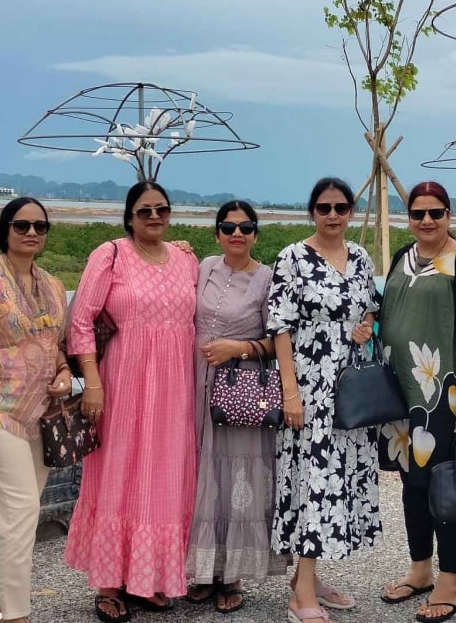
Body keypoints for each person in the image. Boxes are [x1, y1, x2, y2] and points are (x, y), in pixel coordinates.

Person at [66, 181, 200, 622]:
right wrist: (92, 382)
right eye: (145, 211)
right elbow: (81, 321)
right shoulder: (110, 255)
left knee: (164, 477)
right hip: (122, 384)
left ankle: (146, 579)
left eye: (162, 209)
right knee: (119, 472)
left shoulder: (186, 259)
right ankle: (109, 583)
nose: (155, 217)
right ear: (129, 217)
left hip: (176, 388)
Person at [0, 196, 75, 623]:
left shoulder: (54, 286)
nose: (31, 233)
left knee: (15, 520)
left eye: (39, 226)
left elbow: (55, 346)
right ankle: (18, 616)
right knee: (22, 514)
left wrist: (63, 372)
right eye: (21, 225)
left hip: (42, 416)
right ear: (5, 230)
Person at [377, 181, 456, 622]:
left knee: (445, 484)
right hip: (403, 395)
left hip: (443, 395)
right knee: (412, 485)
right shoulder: (402, 256)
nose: (427, 220)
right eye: (419, 213)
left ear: (449, 215)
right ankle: (420, 568)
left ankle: (452, 581)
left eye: (436, 212)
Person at [269, 177, 381, 623]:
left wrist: (365, 325)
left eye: (341, 206)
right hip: (310, 389)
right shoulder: (292, 258)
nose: (333, 214)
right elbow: (279, 327)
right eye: (324, 207)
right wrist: (290, 392)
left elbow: (370, 305)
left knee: (336, 481)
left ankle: (307, 579)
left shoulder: (360, 256)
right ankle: (301, 597)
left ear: (351, 211)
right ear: (311, 211)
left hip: (350, 388)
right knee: (312, 483)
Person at [186, 200, 287, 613]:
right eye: (228, 227)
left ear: (255, 233)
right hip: (195, 386)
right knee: (203, 477)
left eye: (246, 226)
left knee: (238, 480)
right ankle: (204, 571)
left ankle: (232, 575)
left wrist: (238, 348)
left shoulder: (266, 278)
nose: (236, 234)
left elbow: (278, 339)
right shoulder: (205, 266)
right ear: (217, 234)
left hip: (240, 394)